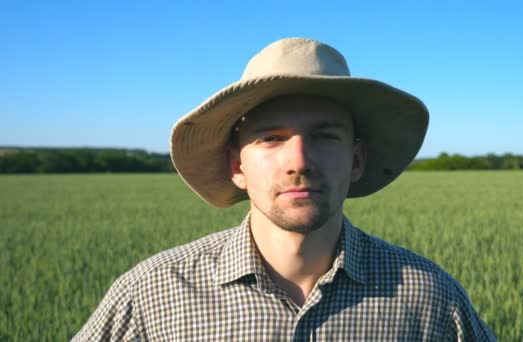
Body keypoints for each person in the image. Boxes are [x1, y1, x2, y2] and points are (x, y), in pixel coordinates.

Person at [73, 37, 495, 341]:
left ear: (356, 161)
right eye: (271, 138)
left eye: (325, 136)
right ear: (236, 164)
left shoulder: (429, 296)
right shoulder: (154, 294)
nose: (299, 161)